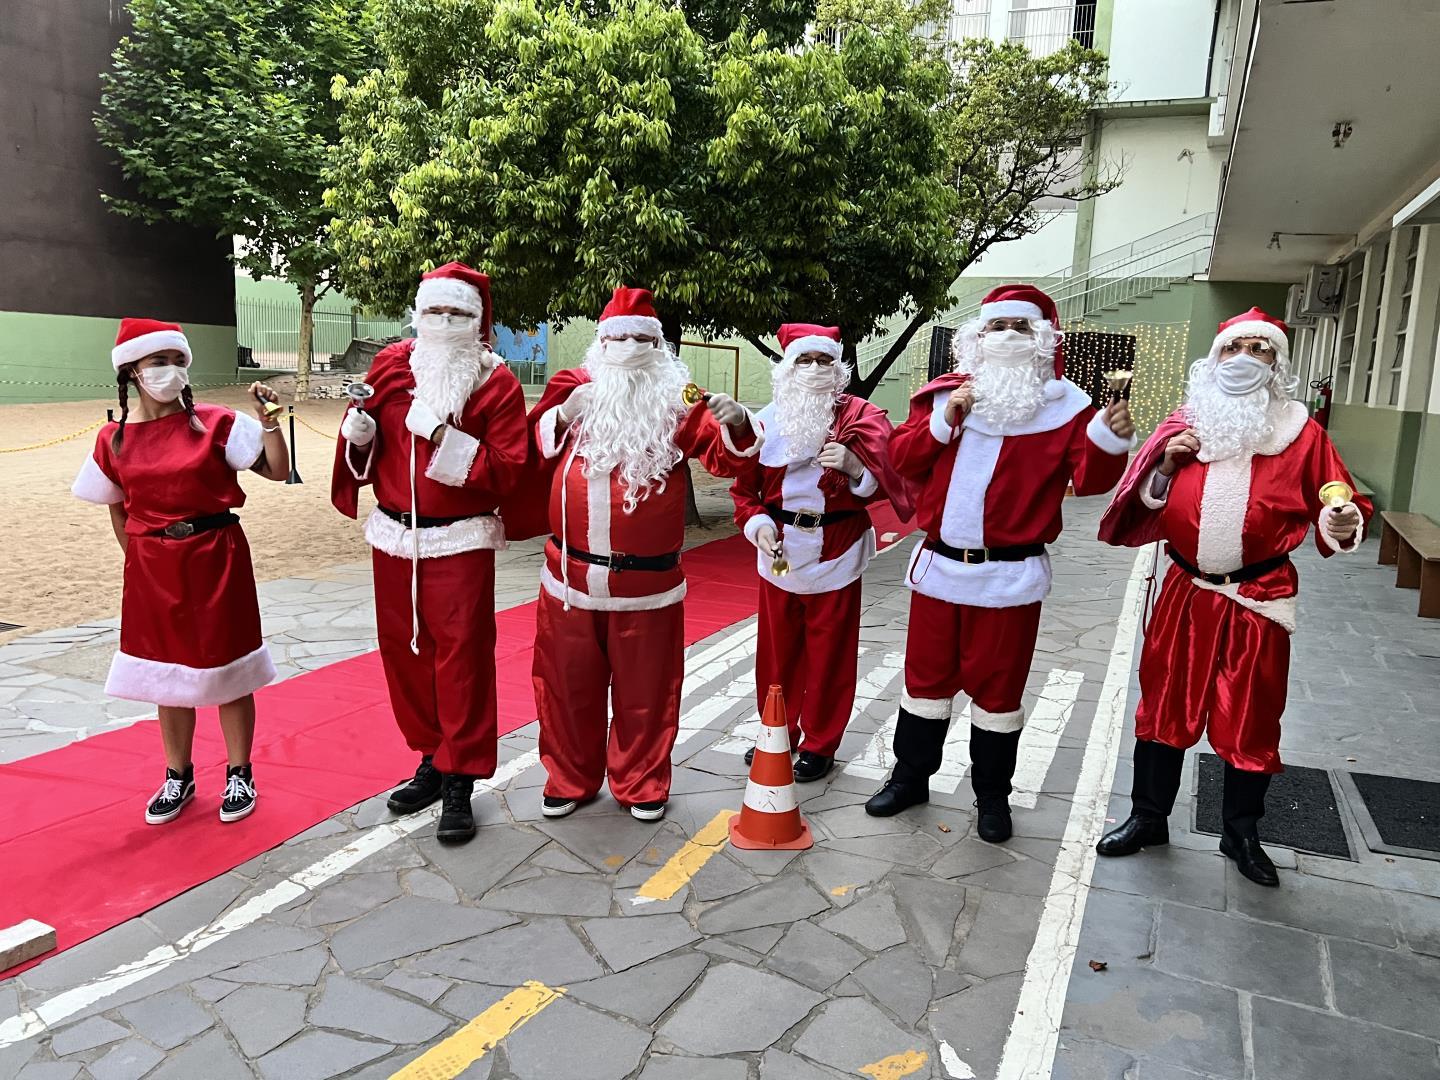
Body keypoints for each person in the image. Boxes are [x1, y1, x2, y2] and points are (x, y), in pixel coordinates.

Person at [1096, 308, 1370, 887]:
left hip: (1258, 597)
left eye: (1260, 349)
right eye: (1233, 347)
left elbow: (1339, 504)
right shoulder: (1184, 424)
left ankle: (1241, 833)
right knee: (1163, 705)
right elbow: (1144, 500)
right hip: (1185, 590)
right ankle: (1148, 817)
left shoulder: (1301, 433)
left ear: (1276, 365)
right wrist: (1167, 466)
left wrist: (1339, 522)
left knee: (1251, 717)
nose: (1245, 357)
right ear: (1213, 359)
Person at [863, 284, 1136, 841]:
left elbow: (1090, 480)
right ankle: (911, 777)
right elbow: (902, 458)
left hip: (1009, 578)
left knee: (998, 693)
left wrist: (1109, 439)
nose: (1007, 337)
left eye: (1020, 328)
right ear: (976, 338)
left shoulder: (1067, 407)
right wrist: (948, 420)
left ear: (1041, 340)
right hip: (940, 570)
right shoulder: (944, 396)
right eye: (996, 327)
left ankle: (992, 797)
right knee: (924, 683)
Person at [513, 286, 762, 821]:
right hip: (569, 578)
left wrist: (739, 421)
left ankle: (642, 781)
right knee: (564, 686)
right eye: (618, 336)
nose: (628, 346)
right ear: (600, 343)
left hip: (647, 585)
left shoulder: (678, 399)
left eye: (641, 338)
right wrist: (561, 414)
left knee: (646, 690)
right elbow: (528, 446)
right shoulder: (573, 388)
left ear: (661, 347)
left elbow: (727, 459)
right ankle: (568, 777)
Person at [332, 263, 528, 844]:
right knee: (403, 652)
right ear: (418, 314)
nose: (445, 323)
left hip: (460, 538)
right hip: (394, 538)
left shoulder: (497, 383)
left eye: (458, 313)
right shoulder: (390, 366)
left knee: (461, 659)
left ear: (478, 321)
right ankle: (431, 756)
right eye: (435, 311)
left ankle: (460, 779)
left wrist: (443, 436)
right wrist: (360, 434)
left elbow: (506, 472)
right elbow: (364, 453)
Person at [71, 318, 288, 825]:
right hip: (153, 567)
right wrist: (141, 558)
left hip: (217, 557)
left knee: (229, 667)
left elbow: (276, 471)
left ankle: (239, 772)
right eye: (157, 363)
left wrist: (271, 420)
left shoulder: (216, 423)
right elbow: (118, 507)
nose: (170, 372)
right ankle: (178, 775)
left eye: (177, 362)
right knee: (165, 674)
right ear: (132, 372)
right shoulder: (114, 440)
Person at [729, 323, 908, 781]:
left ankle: (821, 742)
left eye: (823, 361)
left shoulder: (861, 418)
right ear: (787, 368)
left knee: (831, 655)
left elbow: (888, 482)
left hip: (838, 550)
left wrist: (854, 469)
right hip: (780, 552)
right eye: (804, 361)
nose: (813, 369)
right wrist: (756, 523)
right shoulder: (766, 421)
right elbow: (744, 490)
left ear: (839, 368)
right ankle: (776, 732)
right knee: (776, 653)